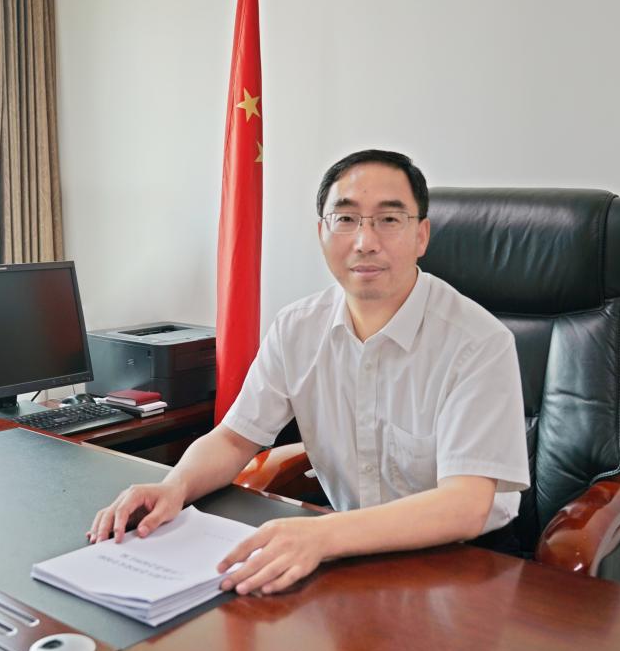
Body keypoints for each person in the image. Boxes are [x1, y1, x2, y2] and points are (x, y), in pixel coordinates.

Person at [88, 150, 529, 596]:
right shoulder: (298, 328)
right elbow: (235, 439)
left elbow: (466, 505)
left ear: (421, 236)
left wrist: (322, 535)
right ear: (322, 233)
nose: (365, 241)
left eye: (389, 220)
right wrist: (174, 487)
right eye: (346, 219)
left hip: (467, 563)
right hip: (346, 552)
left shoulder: (478, 342)